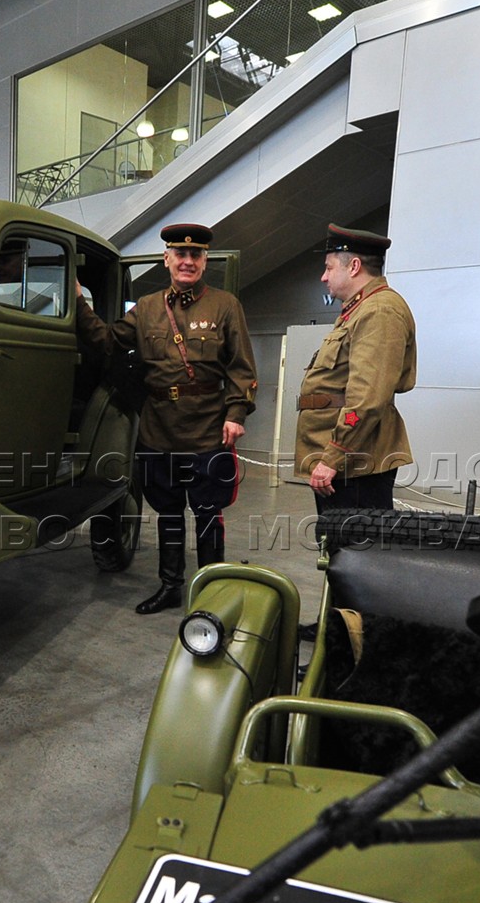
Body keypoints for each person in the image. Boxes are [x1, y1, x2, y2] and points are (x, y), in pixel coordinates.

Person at [79, 223, 257, 614]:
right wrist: (78, 302)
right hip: (159, 430)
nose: (188, 261)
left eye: (195, 255)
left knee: (208, 515)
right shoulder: (146, 308)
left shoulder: (225, 306)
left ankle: (211, 595)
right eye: (180, 254)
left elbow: (242, 367)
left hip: (209, 430)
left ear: (205, 261)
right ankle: (170, 585)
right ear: (167, 259)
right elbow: (107, 342)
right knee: (169, 514)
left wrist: (236, 412)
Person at [295, 224, 416, 515]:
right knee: (340, 549)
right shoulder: (361, 309)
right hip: (346, 462)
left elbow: (367, 398)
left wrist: (333, 457)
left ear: (354, 267)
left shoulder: (379, 311)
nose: (323, 276)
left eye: (329, 267)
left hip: (354, 464)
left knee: (357, 552)